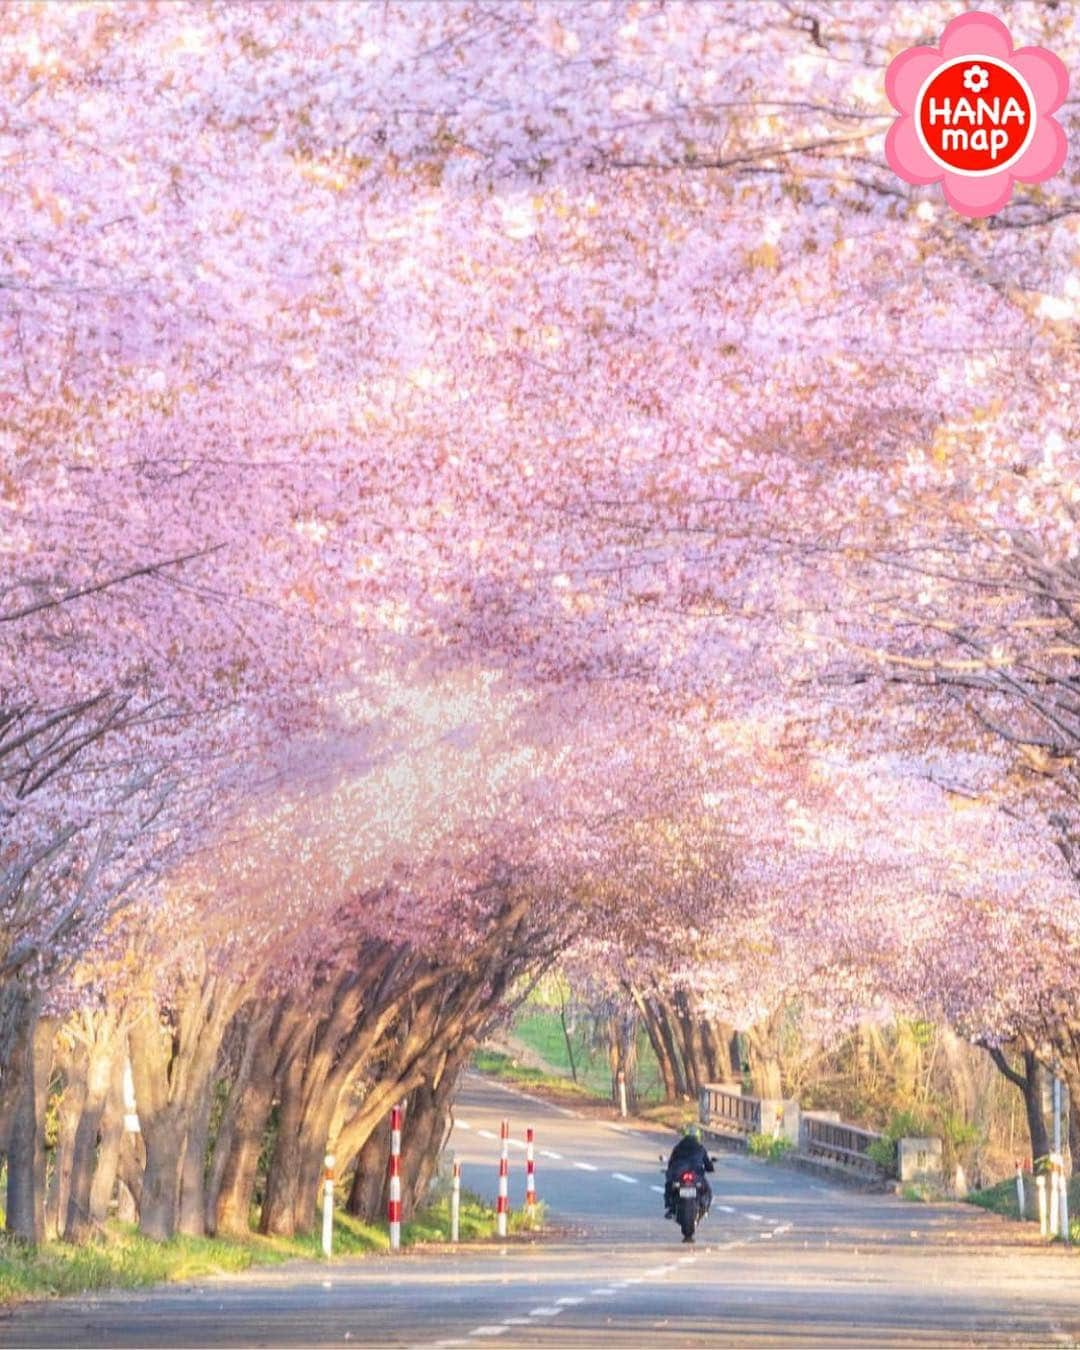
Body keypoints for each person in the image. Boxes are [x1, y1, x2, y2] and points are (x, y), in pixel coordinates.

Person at [664, 1122, 714, 1218]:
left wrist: (670, 1171)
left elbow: (671, 1162)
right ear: (698, 1137)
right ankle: (705, 1207)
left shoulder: (678, 1147)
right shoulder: (700, 1148)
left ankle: (670, 1208)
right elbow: (708, 1164)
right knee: (707, 1189)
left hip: (679, 1173)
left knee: (670, 1185)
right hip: (696, 1173)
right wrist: (710, 1168)